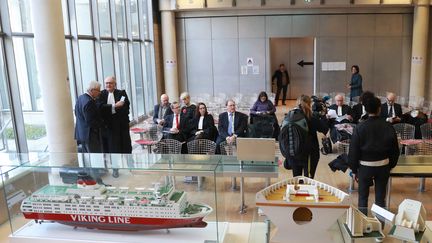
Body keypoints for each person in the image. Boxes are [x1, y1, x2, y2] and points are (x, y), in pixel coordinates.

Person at [348, 94, 399, 215]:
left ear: (365, 109)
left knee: (363, 198)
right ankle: (379, 227)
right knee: (381, 199)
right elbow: (395, 150)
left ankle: (361, 225)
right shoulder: (388, 127)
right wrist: (390, 165)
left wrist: (354, 169)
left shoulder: (360, 127)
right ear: (379, 109)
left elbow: (354, 151)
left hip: (365, 167)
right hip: (383, 167)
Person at [97, 76, 132, 178]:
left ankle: (131, 165)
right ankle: (115, 169)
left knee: (126, 146)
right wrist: (114, 106)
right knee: (113, 149)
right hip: (109, 127)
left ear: (115, 84)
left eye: (110, 83)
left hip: (122, 126)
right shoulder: (101, 94)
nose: (108, 85)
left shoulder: (122, 93)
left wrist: (111, 109)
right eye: (106, 83)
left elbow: (126, 107)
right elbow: (100, 107)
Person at [290, 95, 328, 178]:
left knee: (296, 179)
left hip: (294, 151)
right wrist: (324, 116)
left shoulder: (291, 116)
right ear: (309, 104)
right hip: (310, 152)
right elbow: (324, 129)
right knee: (309, 179)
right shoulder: (312, 117)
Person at [74, 81, 104, 153]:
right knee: (95, 157)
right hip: (90, 136)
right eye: (98, 90)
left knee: (88, 157)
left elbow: (76, 113)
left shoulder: (81, 98)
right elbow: (91, 121)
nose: (100, 93)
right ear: (92, 90)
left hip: (82, 133)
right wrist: (102, 124)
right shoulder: (89, 102)